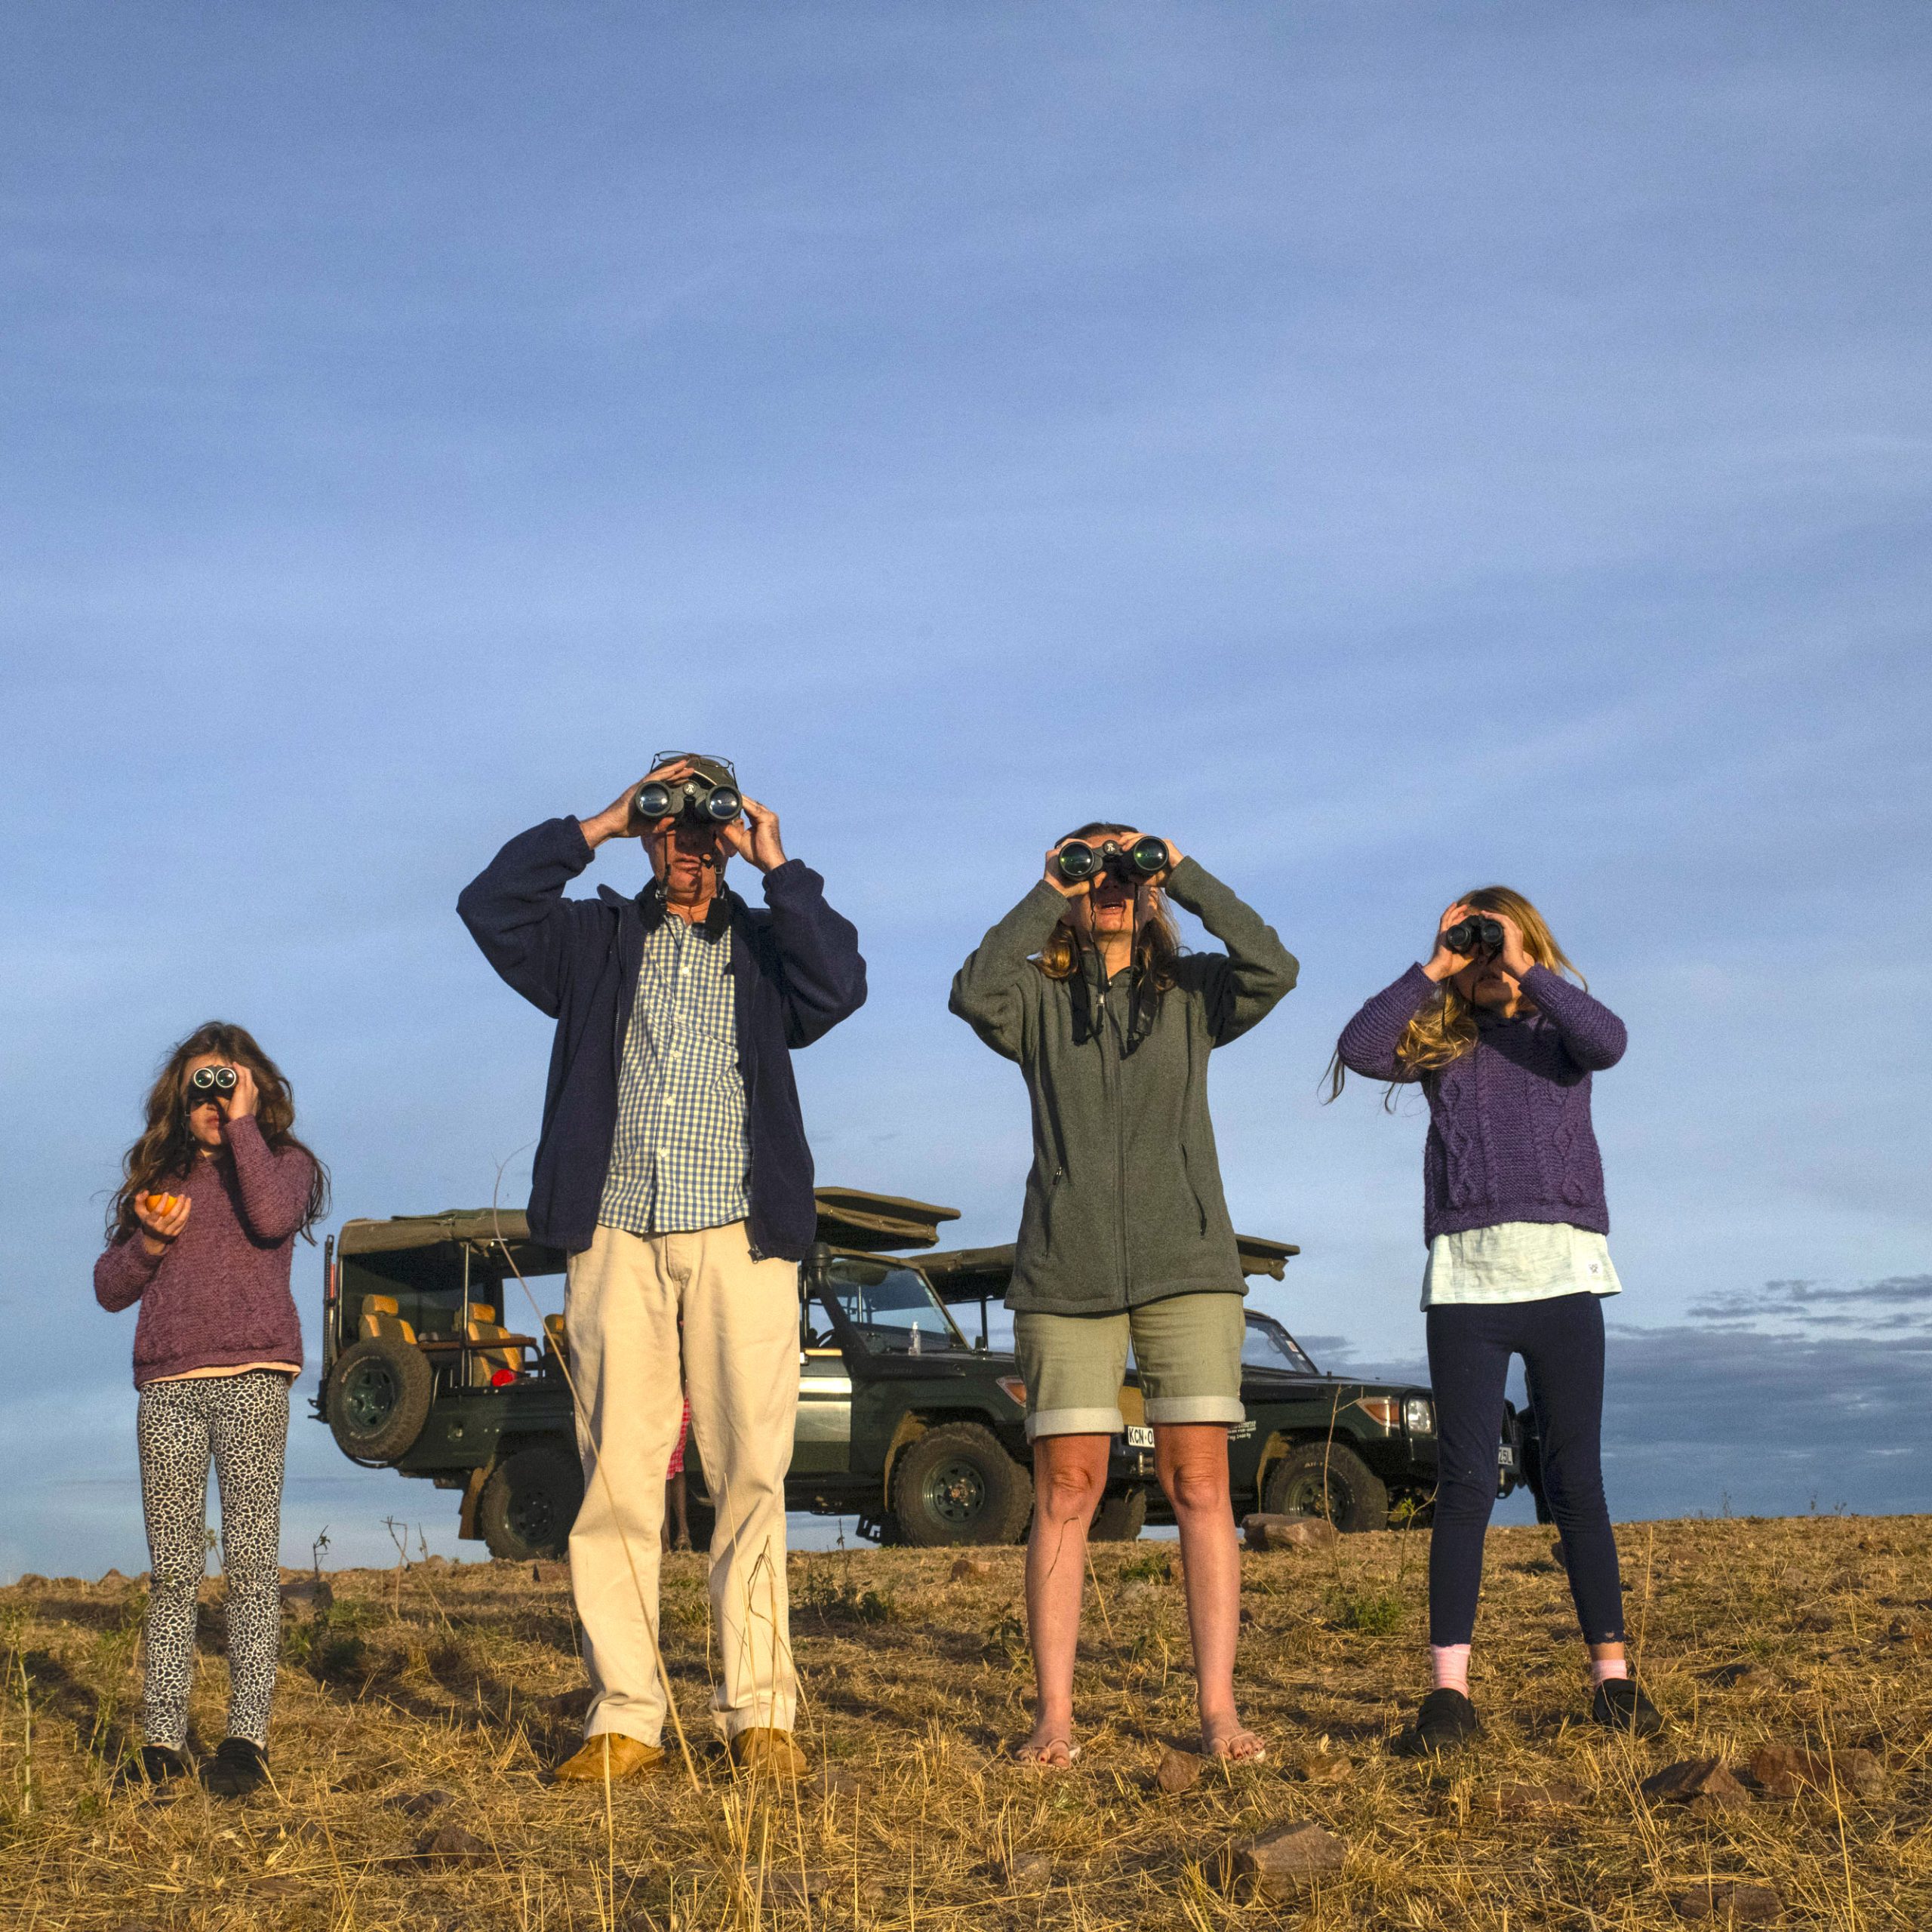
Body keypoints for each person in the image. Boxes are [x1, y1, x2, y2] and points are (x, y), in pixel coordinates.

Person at [458, 754, 865, 1784]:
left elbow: (842, 985)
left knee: (750, 1477)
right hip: (615, 1237)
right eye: (666, 820)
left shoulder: (771, 949)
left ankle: (761, 1712)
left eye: (703, 821)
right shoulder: (593, 942)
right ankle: (626, 1716)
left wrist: (778, 862)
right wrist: (593, 824)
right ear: (647, 833)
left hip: (741, 1235)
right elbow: (490, 906)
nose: (685, 840)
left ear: (725, 835)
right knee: (617, 1480)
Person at [950, 823, 1296, 1767]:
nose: (1108, 884)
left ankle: (1218, 1709)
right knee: (1067, 1487)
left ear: (1148, 891)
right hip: (1066, 1269)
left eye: (1122, 871)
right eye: (1088, 870)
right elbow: (969, 989)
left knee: (1200, 1484)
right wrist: (1046, 886)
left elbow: (1273, 966)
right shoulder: (1033, 994)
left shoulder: (1191, 994)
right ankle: (1053, 1717)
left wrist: (1181, 873)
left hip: (1186, 1262)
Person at [1331, 888, 1662, 1754]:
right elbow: (1360, 1047)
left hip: (1564, 1281)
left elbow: (1611, 1041)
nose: (1479, 959)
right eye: (1464, 943)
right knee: (1466, 1487)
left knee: (1574, 1479)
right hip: (1465, 1291)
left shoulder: (1560, 1037)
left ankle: (1615, 1682)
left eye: (1490, 939)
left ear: (1526, 942)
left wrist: (1521, 963)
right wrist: (1436, 965)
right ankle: (1448, 1695)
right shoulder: (1443, 1044)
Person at [93, 1022, 329, 1797]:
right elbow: (110, 1287)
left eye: (226, 1081)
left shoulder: (284, 1163)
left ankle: (244, 1738)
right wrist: (150, 1244)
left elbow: (268, 1218)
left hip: (253, 1378)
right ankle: (162, 1741)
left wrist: (244, 1125)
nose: (211, 1098)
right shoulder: (157, 1179)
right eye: (200, 1084)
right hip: (167, 1385)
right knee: (173, 1573)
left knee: (253, 1567)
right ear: (175, 1097)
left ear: (255, 1086)